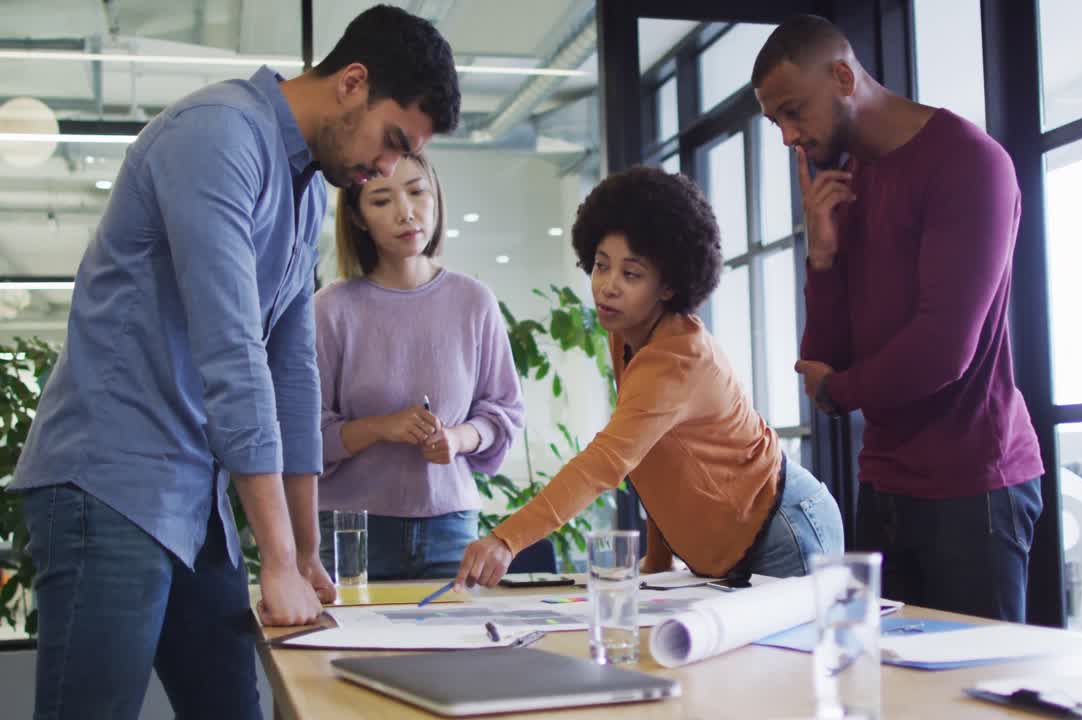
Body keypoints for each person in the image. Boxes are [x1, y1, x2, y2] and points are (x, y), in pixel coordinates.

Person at [6, 5, 459, 718]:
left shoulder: (306, 188)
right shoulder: (218, 135)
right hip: (109, 482)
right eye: (393, 139)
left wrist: (305, 551)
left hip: (195, 498)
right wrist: (275, 560)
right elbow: (231, 350)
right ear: (351, 82)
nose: (389, 166)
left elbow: (290, 369)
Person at [752, 15, 1044, 622]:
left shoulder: (969, 162)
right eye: (775, 120)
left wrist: (841, 387)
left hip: (974, 485)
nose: (787, 136)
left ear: (841, 76)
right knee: (887, 691)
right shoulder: (842, 184)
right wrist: (823, 254)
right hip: (884, 481)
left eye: (793, 111)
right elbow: (825, 361)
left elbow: (942, 348)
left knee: (976, 695)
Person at [454, 166, 844, 589]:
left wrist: (505, 540)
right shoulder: (624, 334)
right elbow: (653, 452)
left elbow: (607, 462)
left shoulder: (678, 356)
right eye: (601, 266)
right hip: (734, 542)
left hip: (784, 528)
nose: (607, 287)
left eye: (631, 274)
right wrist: (658, 561)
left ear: (668, 286)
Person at [315, 149, 523, 581]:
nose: (406, 213)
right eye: (381, 200)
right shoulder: (330, 309)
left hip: (450, 527)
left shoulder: (474, 302)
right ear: (357, 218)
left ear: (436, 200)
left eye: (417, 193)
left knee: (451, 647)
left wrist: (458, 438)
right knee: (350, 649)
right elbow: (304, 436)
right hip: (350, 530)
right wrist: (380, 427)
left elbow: (503, 413)